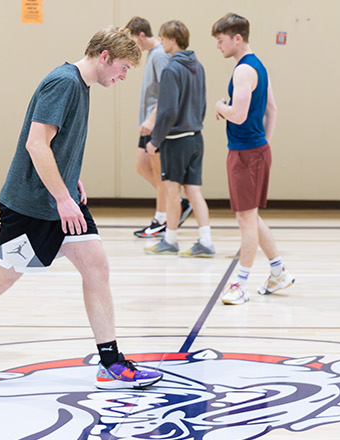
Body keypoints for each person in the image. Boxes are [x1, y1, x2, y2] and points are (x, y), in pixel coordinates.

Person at [0, 26, 161, 392]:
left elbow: (57, 144)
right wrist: (63, 197)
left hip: (59, 202)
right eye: (124, 67)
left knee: (96, 266)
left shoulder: (81, 86)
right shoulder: (63, 83)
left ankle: (110, 363)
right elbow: (37, 144)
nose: (125, 75)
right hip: (33, 206)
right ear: (105, 57)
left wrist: (70, 178)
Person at [211, 13, 295, 305]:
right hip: (254, 150)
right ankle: (278, 271)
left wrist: (222, 106)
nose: (218, 47)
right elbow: (272, 109)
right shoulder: (258, 65)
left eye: (220, 41)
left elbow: (240, 114)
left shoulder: (243, 71)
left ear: (237, 38)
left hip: (246, 152)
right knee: (251, 217)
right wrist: (265, 144)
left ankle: (240, 283)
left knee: (245, 220)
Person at [143, 20, 213, 257]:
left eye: (163, 38)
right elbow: (202, 103)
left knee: (172, 192)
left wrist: (155, 140)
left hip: (176, 140)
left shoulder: (171, 69)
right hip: (196, 137)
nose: (161, 42)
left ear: (173, 40)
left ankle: (170, 240)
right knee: (194, 192)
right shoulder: (198, 66)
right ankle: (206, 240)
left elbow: (167, 110)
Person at [125, 16, 190, 239]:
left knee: (159, 173)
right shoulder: (153, 55)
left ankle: (161, 219)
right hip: (148, 123)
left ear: (142, 35)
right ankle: (177, 202)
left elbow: (167, 91)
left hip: (157, 123)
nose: (132, 44)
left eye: (132, 38)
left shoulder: (160, 55)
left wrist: (152, 119)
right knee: (143, 166)